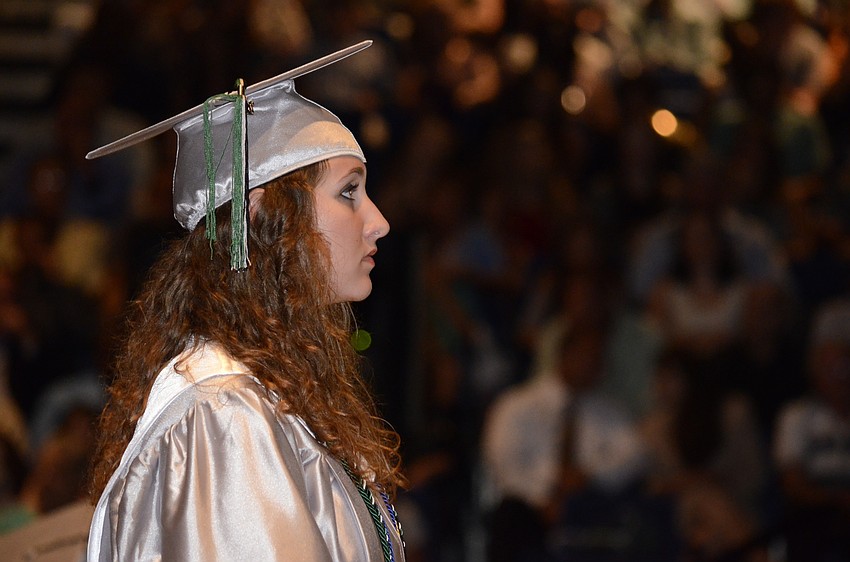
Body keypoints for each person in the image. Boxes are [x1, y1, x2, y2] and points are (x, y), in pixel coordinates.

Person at [84, 42, 406, 561]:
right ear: (263, 214)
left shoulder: (270, 391)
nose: (378, 221)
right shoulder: (222, 418)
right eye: (349, 192)